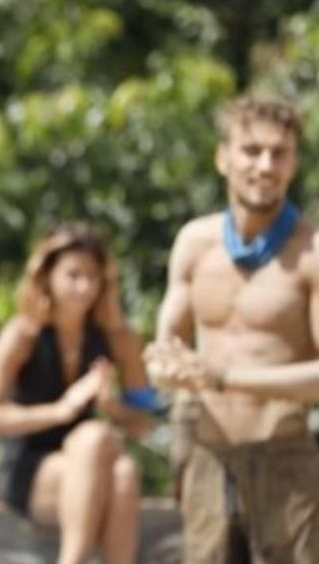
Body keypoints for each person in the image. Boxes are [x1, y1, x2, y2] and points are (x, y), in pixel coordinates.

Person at [144, 94, 319, 564]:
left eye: (279, 154)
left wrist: (223, 377)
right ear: (223, 158)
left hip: (284, 458)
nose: (265, 166)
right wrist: (166, 370)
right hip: (207, 454)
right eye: (251, 151)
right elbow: (163, 352)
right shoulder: (194, 243)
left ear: (293, 163)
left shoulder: (311, 252)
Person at [0, 223, 154, 564]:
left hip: (93, 467)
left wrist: (111, 405)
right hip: (31, 471)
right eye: (73, 275)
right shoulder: (23, 335)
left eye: (93, 277)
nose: (85, 287)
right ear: (47, 277)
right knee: (94, 437)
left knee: (124, 471)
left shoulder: (117, 337)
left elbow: (143, 424)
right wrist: (61, 410)